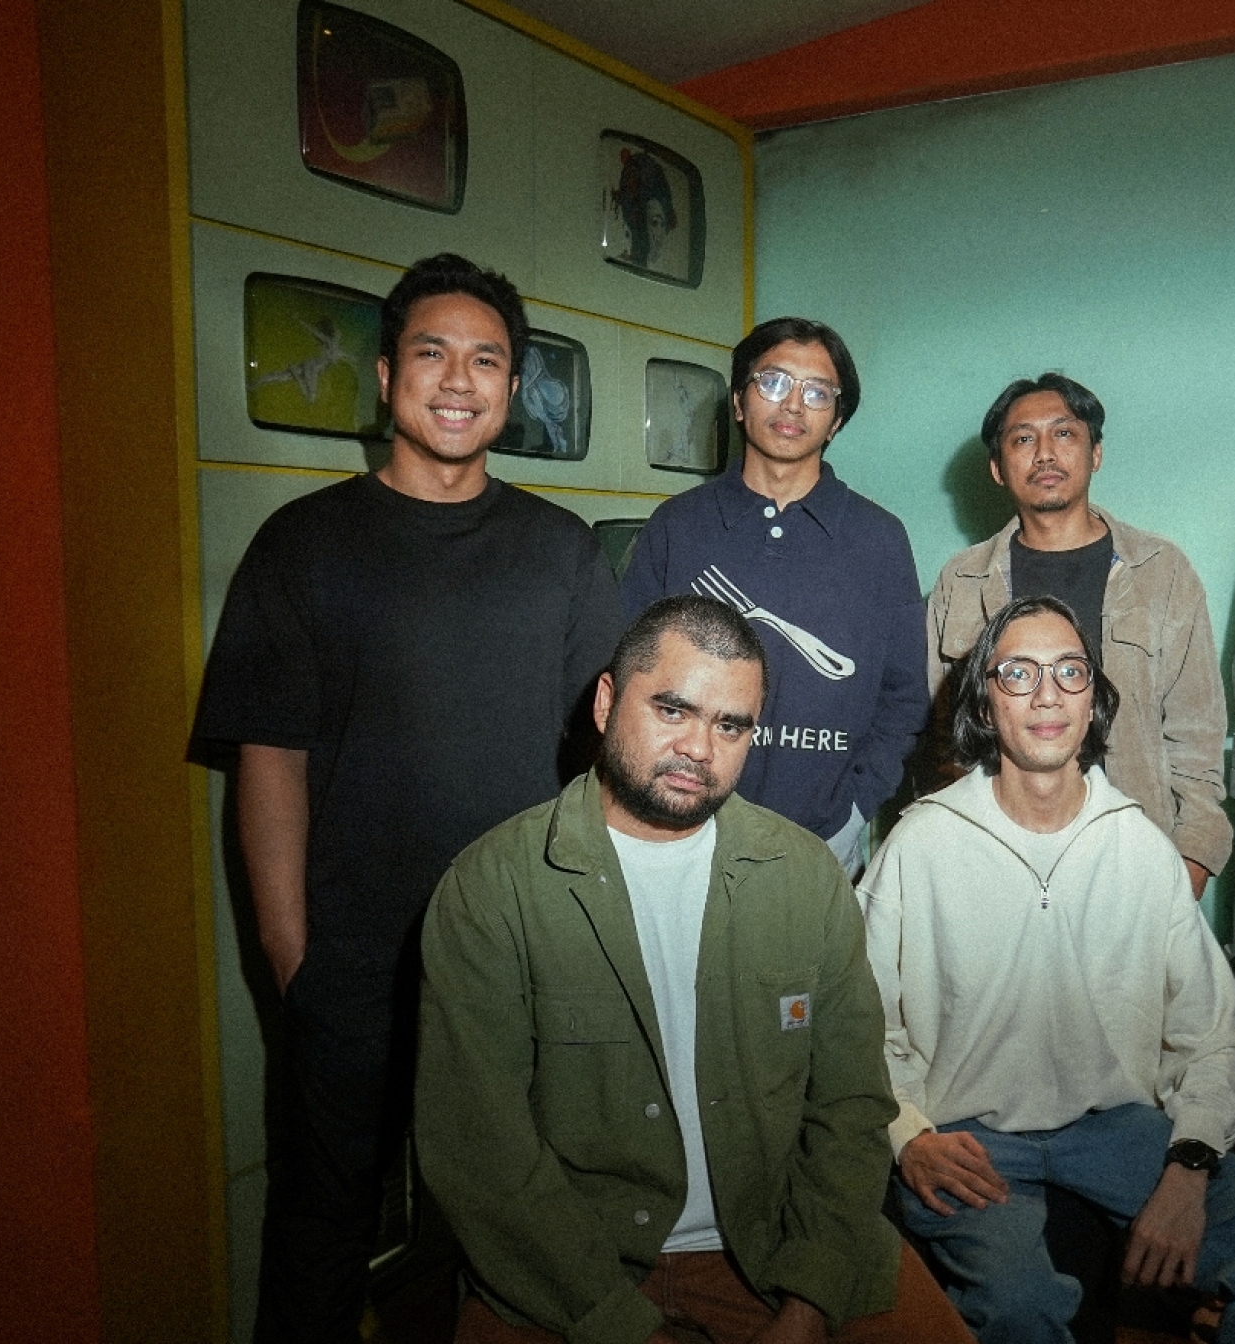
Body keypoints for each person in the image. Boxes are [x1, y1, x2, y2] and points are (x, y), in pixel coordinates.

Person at [189, 253, 625, 1344]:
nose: (460, 380)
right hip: (355, 967)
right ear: (386, 377)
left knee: (516, 1235)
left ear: (512, 389)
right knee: (322, 1231)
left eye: (488, 360)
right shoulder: (303, 545)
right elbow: (270, 762)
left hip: (522, 962)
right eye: (433, 353)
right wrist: (293, 956)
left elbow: (605, 757)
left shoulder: (561, 553)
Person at [415, 597, 973, 1344]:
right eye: (673, 710)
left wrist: (808, 1304)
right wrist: (617, 1325)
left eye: (730, 725)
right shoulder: (492, 887)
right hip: (570, 1266)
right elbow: (481, 1154)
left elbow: (849, 1110)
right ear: (607, 703)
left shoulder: (806, 877)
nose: (700, 749)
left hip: (779, 1243)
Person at [863, 596, 1235, 1344]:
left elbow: (1214, 1037)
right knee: (1020, 1305)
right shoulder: (919, 846)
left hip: (1115, 1130)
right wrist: (908, 1135)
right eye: (1018, 673)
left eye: (1069, 671)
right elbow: (859, 1025)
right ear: (984, 701)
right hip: (968, 1137)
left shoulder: (1141, 849)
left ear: (1093, 700)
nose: (1047, 694)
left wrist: (1189, 1168)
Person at [621, 318, 928, 876]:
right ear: (739, 402)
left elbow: (904, 699)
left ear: (836, 420)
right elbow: (626, 678)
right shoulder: (678, 527)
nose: (793, 405)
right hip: (678, 831)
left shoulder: (879, 540)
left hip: (824, 843)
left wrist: (853, 812)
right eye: (774, 382)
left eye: (817, 392)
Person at [925, 373, 1231, 897]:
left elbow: (1197, 735)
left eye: (1064, 433)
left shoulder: (1162, 572)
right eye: (1024, 438)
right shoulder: (963, 579)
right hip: (994, 859)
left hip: (1134, 858)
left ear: (1096, 454)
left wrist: (1192, 861)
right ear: (997, 468)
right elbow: (937, 739)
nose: (1045, 453)